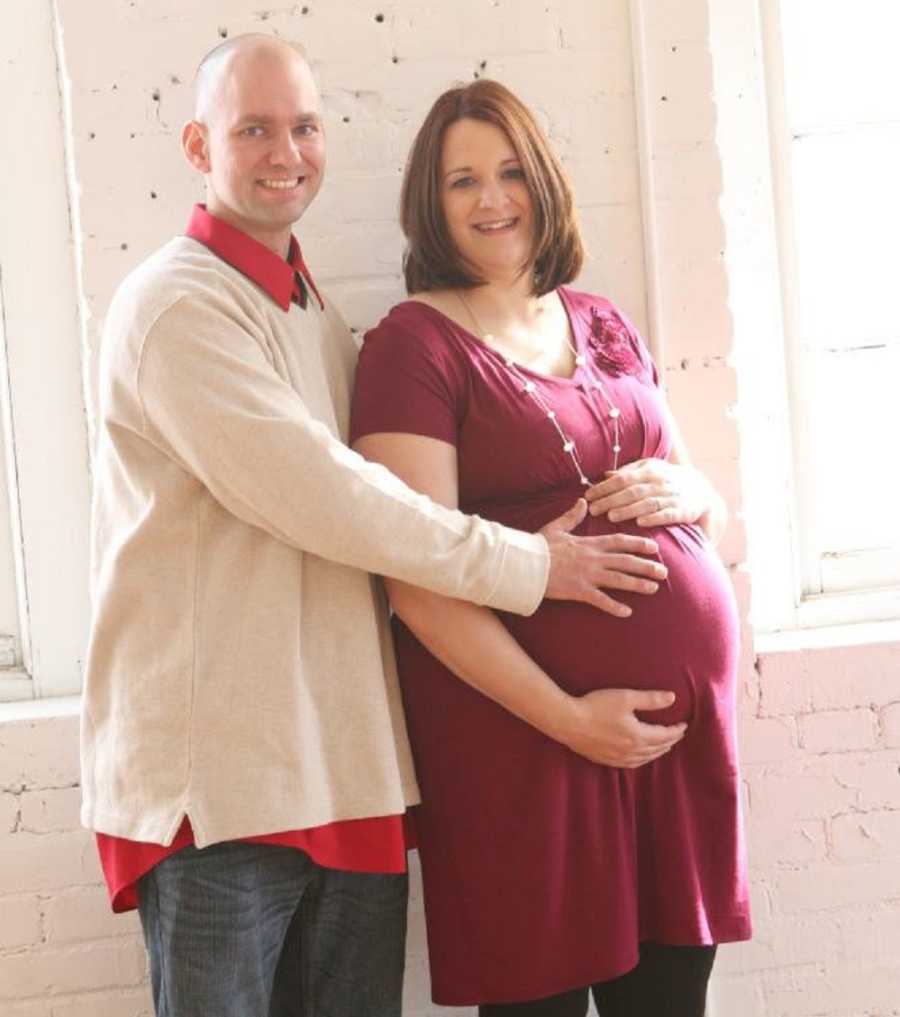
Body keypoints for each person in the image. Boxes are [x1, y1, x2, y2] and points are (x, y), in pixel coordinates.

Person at [80, 36, 676, 1017]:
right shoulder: (175, 308)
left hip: (347, 776)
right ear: (198, 146)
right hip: (227, 798)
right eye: (254, 130)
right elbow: (331, 498)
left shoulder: (314, 315)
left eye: (306, 126)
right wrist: (533, 566)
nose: (288, 151)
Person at [350, 79, 752, 1017]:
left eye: (508, 171)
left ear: (543, 181)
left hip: (669, 749)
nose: (492, 200)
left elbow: (705, 508)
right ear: (430, 203)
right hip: (524, 738)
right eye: (462, 181)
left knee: (671, 1003)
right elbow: (417, 581)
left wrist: (700, 495)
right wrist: (572, 717)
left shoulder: (603, 320)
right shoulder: (413, 347)